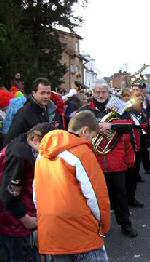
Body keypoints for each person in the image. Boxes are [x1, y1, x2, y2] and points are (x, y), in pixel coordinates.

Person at [34, 111, 111, 261]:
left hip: (52, 233)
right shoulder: (82, 153)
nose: (92, 141)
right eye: (93, 136)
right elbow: (96, 196)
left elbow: (36, 194)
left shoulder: (42, 154)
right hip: (82, 233)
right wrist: (104, 225)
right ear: (85, 131)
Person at [82, 82, 138, 237]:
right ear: (93, 92)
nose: (100, 95)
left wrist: (110, 126)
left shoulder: (118, 106)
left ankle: (125, 224)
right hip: (94, 160)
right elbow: (76, 129)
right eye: (98, 92)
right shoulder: (86, 110)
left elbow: (129, 125)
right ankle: (95, 227)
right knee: (94, 196)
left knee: (120, 193)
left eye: (104, 92)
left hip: (115, 158)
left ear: (108, 93)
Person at [0, 123, 54, 262]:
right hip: (14, 223)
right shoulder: (20, 154)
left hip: (20, 218)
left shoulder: (25, 144)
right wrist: (25, 218)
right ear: (36, 139)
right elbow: (9, 192)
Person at [4, 78, 61, 145]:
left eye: (48, 93)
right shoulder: (24, 113)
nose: (46, 96)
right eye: (42, 93)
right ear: (34, 93)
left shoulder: (52, 111)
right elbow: (11, 140)